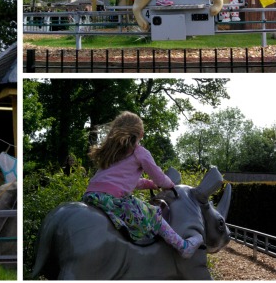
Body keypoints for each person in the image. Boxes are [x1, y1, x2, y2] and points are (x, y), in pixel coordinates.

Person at [82, 111, 203, 259]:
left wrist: (148, 184)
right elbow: (158, 175)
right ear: (139, 133)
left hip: (92, 195)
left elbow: (122, 182)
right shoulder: (139, 152)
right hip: (112, 199)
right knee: (153, 215)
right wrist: (168, 184)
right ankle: (183, 246)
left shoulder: (112, 153)